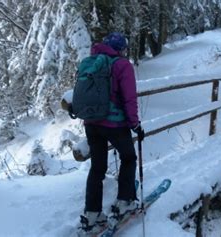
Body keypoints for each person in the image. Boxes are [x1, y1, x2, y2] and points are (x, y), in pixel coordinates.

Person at [78, 32, 145, 234]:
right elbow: (129, 98)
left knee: (97, 168)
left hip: (91, 123)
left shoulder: (90, 62)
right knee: (128, 158)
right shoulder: (122, 65)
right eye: (124, 48)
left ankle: (92, 215)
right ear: (120, 49)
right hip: (114, 124)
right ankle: (124, 202)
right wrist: (135, 125)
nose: (125, 52)